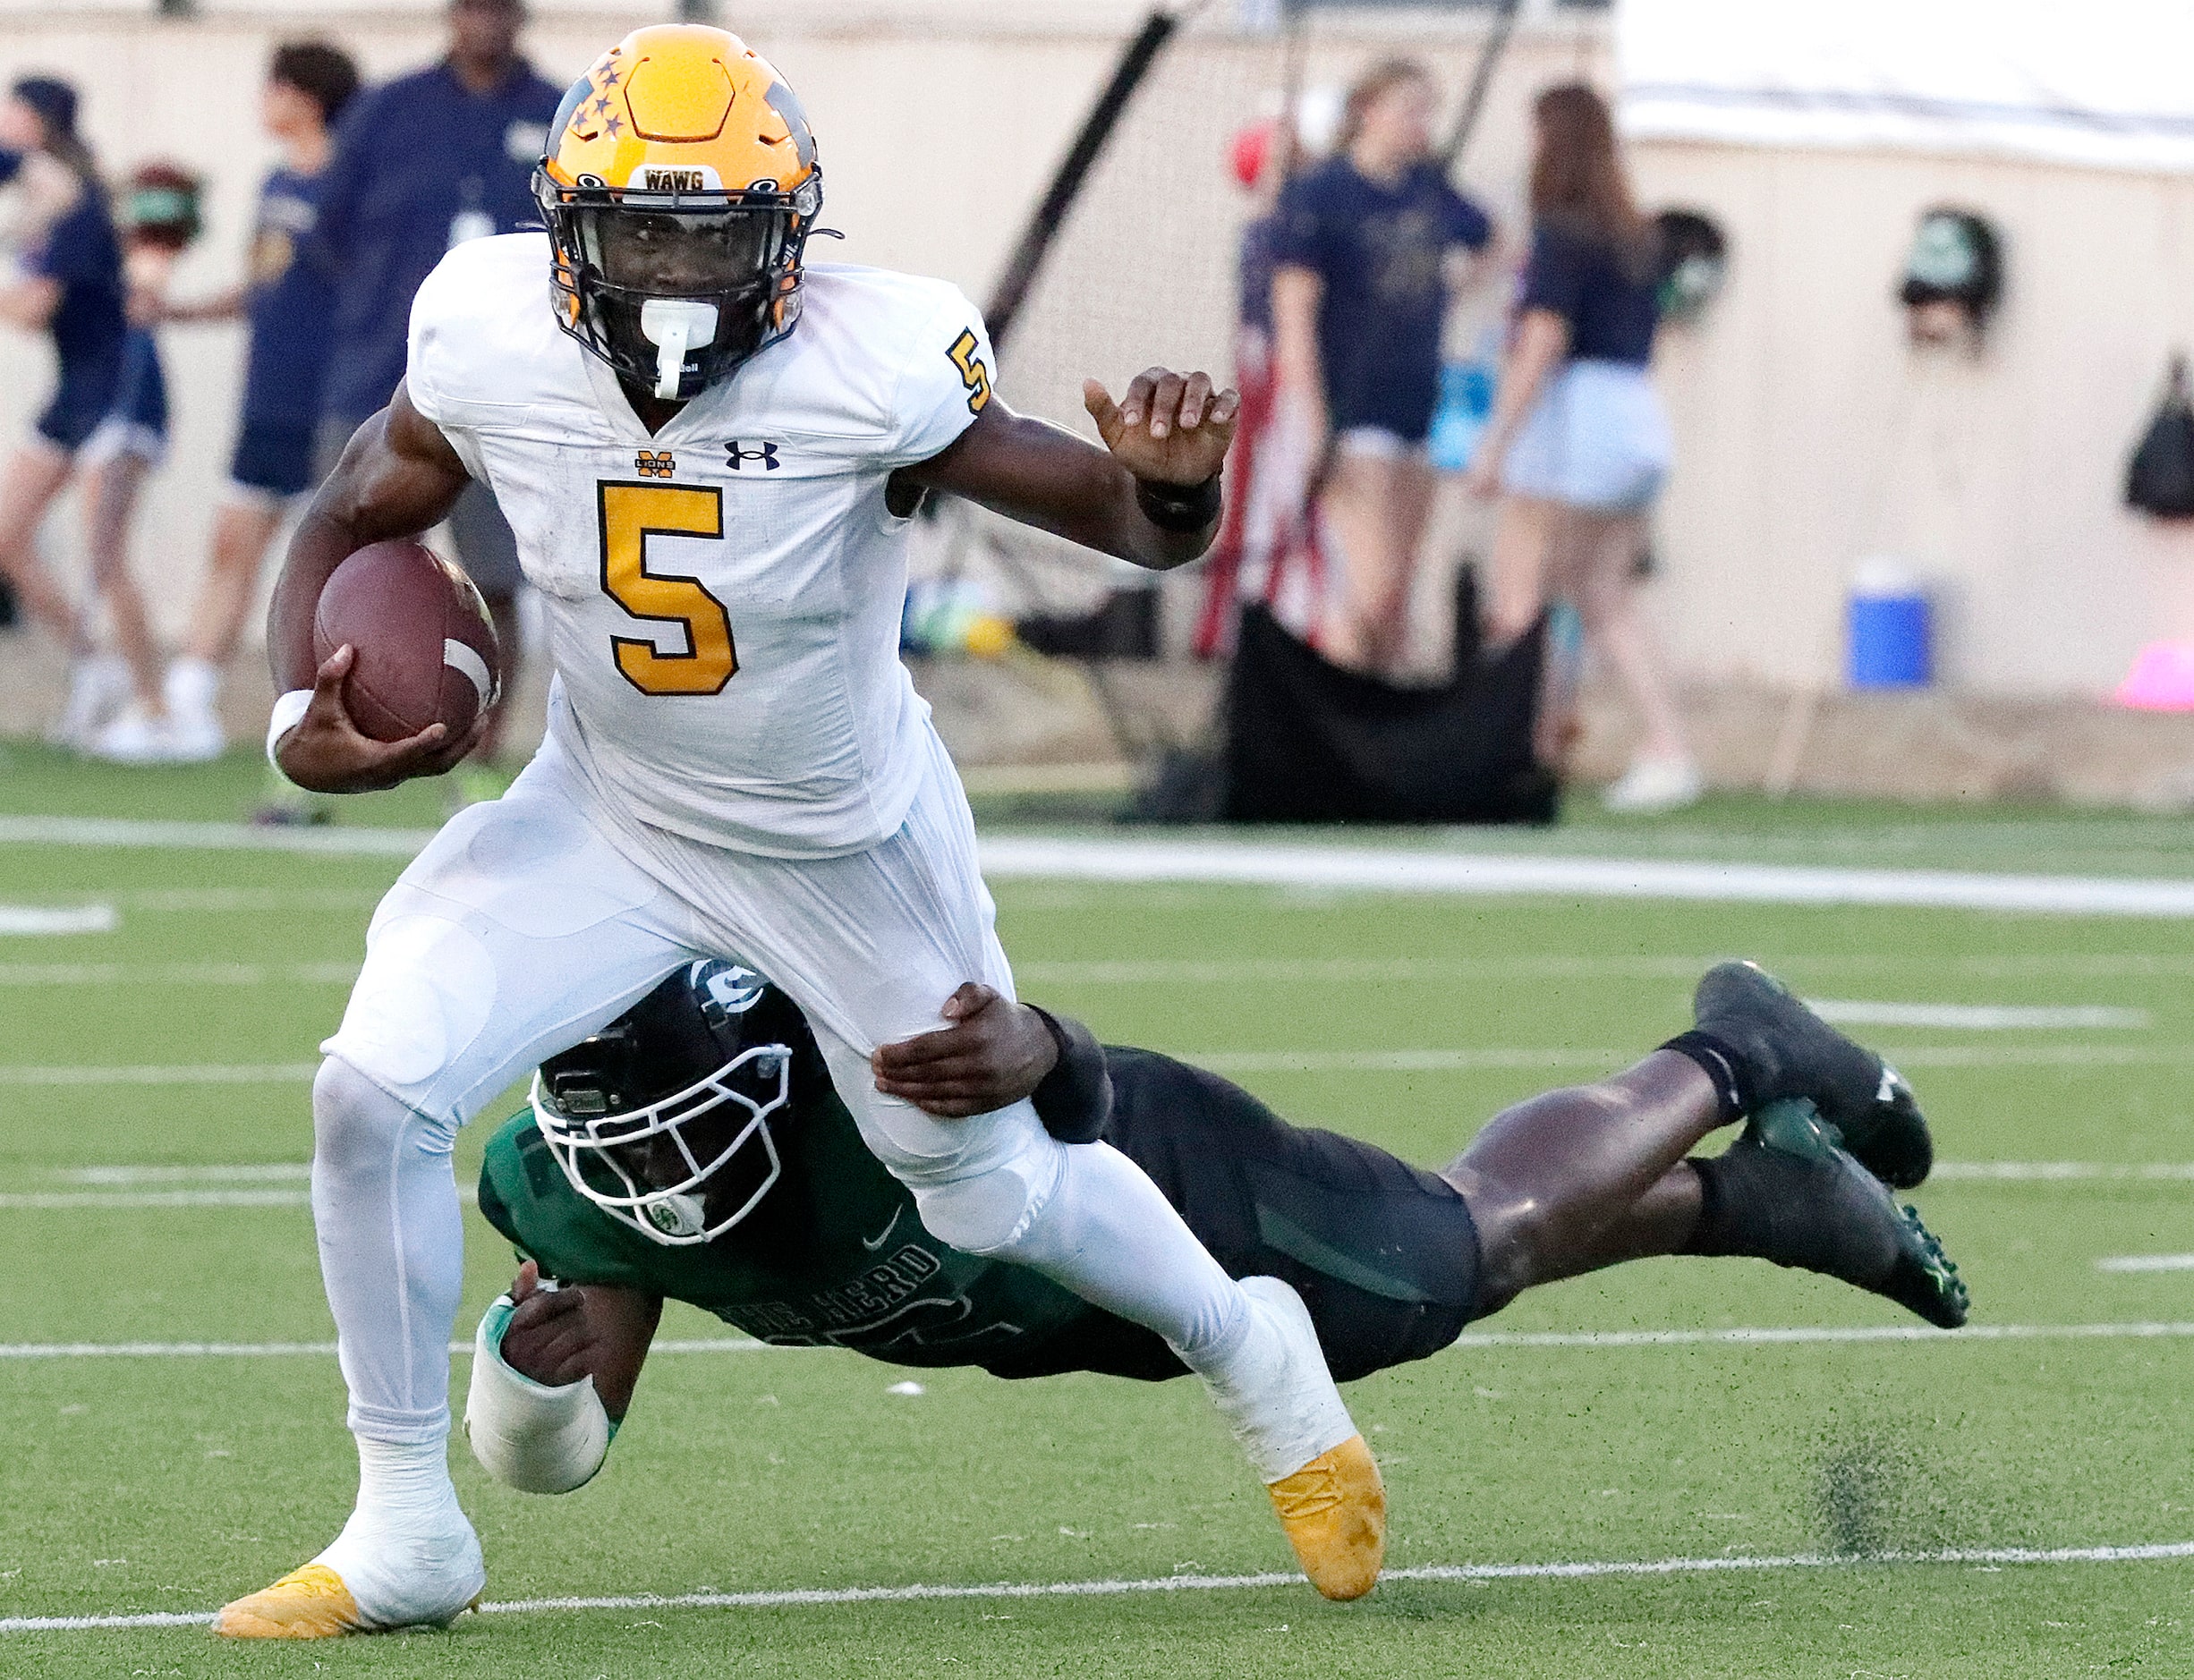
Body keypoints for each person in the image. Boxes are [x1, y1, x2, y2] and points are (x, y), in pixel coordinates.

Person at [217, 24, 1378, 1640]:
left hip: (836, 837)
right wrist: (299, 712)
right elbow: (352, 508)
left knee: (984, 1189)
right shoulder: (482, 328)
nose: (677, 275)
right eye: (640, 230)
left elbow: (1119, 520)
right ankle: (406, 1521)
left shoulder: (876, 356)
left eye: (715, 232)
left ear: (791, 239)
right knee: (370, 1084)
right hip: (607, 808)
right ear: (564, 231)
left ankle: (1247, 1338)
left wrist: (1175, 489)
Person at [457, 958, 1963, 1533]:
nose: (655, 1178)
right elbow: (582, 1417)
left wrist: (1036, 1047)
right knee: (1451, 1259)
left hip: (1167, 1194)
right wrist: (527, 1384)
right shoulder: (574, 1186)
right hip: (1057, 1324)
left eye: (677, 1130)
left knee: (1464, 1248)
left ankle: (1723, 1052)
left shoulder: (880, 1063)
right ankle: (1760, 1201)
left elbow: (1079, 1071)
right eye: (620, 1149)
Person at [310, 0, 561, 792]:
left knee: (496, 580)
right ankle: (314, 751)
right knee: (340, 565)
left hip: (508, 393)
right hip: (379, 379)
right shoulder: (386, 112)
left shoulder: (561, 117)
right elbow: (330, 236)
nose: (484, 20)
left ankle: (480, 767)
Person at [1464, 84, 1697, 815]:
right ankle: (1562, 738)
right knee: (1601, 595)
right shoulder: (1635, 237)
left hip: (1580, 425)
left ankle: (1532, 746)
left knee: (1535, 590)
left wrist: (1495, 441)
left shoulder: (1562, 235)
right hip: (1634, 419)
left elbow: (1542, 341)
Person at [150, 41, 362, 765]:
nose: (262, 101)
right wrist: (179, 311)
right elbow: (263, 286)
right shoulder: (276, 180)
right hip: (267, 396)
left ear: (302, 96)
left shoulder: (351, 181)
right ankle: (188, 701)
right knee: (232, 543)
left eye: (272, 87)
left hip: (332, 399)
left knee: (340, 567)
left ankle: (339, 709)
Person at [1269, 59, 1493, 675]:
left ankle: (1380, 742)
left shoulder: (1430, 187)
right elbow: (1293, 318)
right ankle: (1323, 730)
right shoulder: (1322, 194)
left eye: (1428, 111)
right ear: (1366, 110)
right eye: (1407, 109)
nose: (1420, 125)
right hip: (1350, 407)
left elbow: (1490, 240)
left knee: (1397, 595)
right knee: (1370, 590)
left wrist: (1462, 280)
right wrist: (1314, 424)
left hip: (1416, 403)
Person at [0, 75, 136, 745]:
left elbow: (33, 310)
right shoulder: (46, 195)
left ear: (40, 119)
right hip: (70, 390)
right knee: (6, 536)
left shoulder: (79, 203)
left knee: (104, 554)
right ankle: (95, 665)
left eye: (13, 108)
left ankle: (159, 709)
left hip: (111, 391)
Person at [80, 162, 208, 762]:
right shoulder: (127, 252)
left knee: (107, 552)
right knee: (103, 555)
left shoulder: (146, 258)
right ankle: (142, 695)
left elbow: (138, 304)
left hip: (128, 409)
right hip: (112, 404)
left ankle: (155, 704)